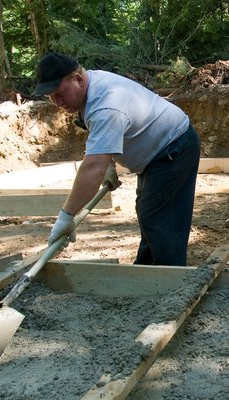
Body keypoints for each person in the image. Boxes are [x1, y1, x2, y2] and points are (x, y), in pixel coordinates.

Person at [33, 52, 200, 266]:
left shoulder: (106, 104)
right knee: (150, 213)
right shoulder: (91, 89)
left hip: (173, 148)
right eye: (50, 96)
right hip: (158, 151)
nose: (56, 102)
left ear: (78, 79)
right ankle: (148, 270)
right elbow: (101, 139)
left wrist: (67, 217)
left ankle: (170, 280)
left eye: (60, 93)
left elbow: (93, 168)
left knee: (158, 218)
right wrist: (110, 164)